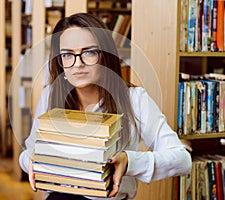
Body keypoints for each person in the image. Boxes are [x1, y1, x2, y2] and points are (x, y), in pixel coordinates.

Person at [19, 13, 192, 200]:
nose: (78, 64)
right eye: (67, 55)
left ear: (105, 56)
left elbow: (182, 159)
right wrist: (31, 159)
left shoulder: (134, 99)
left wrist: (129, 161)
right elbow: (29, 152)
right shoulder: (50, 96)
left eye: (89, 52)